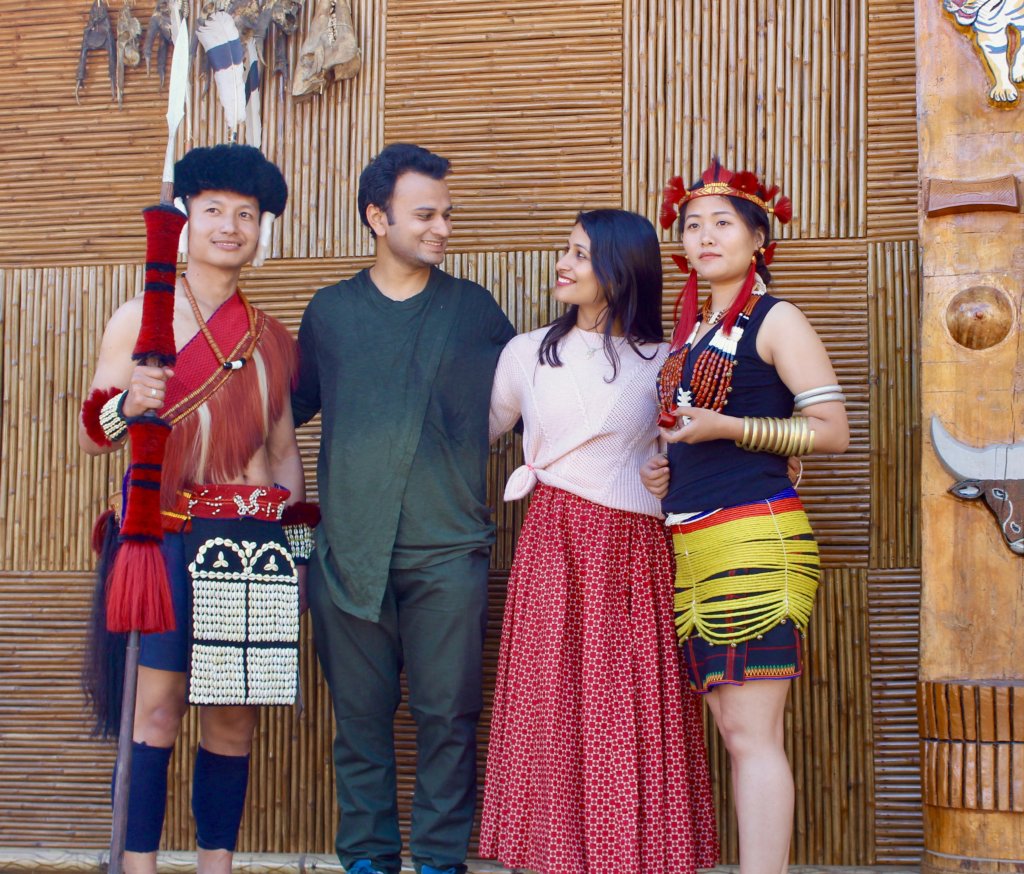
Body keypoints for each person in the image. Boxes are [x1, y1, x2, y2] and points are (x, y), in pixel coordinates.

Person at [80, 144, 311, 874]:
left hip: (252, 542)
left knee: (234, 718)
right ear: (184, 222)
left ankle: (218, 866)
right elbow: (93, 433)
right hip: (168, 537)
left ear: (260, 229)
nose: (230, 226)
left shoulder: (272, 337)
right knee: (155, 708)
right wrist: (127, 405)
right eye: (213, 210)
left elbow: (280, 457)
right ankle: (139, 865)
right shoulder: (140, 320)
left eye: (246, 214)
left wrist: (296, 559)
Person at [291, 143, 516, 874]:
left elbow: (543, 395)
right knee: (358, 727)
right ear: (376, 216)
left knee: (449, 722)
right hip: (347, 555)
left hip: (449, 552)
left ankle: (441, 863)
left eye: (447, 214)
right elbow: (275, 413)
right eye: (425, 214)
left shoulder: (476, 311)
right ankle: (366, 862)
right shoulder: (329, 314)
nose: (442, 227)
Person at [479, 209, 720, 874]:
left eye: (581, 254)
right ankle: (551, 855)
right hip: (552, 539)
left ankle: (629, 854)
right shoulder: (526, 353)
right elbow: (477, 435)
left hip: (632, 546)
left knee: (625, 705)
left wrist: (669, 472)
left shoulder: (665, 362)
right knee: (549, 704)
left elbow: (684, 450)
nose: (564, 264)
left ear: (620, 270)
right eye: (566, 251)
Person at [642, 161, 850, 874]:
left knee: (751, 734)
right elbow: (686, 432)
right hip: (694, 543)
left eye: (723, 223)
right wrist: (663, 469)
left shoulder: (776, 318)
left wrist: (726, 428)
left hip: (753, 539)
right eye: (693, 224)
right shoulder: (692, 330)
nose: (704, 235)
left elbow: (830, 430)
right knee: (733, 728)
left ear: (759, 238)